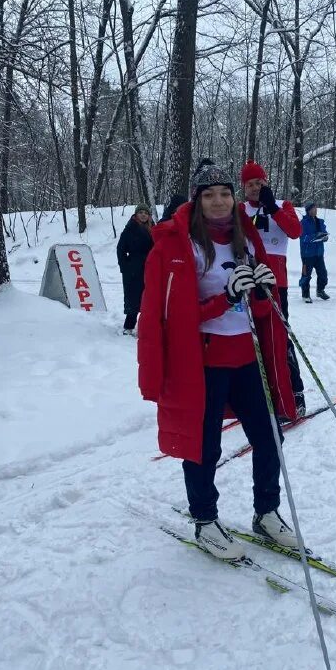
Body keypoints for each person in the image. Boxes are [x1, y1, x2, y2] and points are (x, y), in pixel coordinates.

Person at [138, 159, 298, 560]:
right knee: (203, 446)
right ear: (197, 199)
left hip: (248, 356)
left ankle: (267, 511)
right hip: (204, 364)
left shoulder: (246, 240)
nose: (218, 201)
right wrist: (222, 299)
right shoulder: (178, 245)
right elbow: (173, 315)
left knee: (269, 438)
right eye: (208, 194)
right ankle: (205, 520)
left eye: (225, 193)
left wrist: (261, 294)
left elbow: (260, 313)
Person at [239, 159, 306, 416]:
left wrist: (272, 207)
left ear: (267, 182)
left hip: (277, 285)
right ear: (244, 188)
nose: (255, 188)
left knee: (280, 341)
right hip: (248, 284)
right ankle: (262, 395)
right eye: (250, 184)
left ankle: (295, 393)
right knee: (253, 342)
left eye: (259, 183)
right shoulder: (240, 209)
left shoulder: (282, 206)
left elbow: (295, 231)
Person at [116, 203, 154, 334]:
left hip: (151, 268)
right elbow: (120, 249)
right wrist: (125, 267)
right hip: (133, 269)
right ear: (136, 215)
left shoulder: (153, 229)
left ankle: (147, 327)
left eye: (146, 213)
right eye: (140, 212)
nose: (143, 214)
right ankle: (129, 326)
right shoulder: (129, 229)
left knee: (149, 298)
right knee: (133, 298)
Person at [299, 202, 329, 303]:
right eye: (313, 209)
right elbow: (304, 238)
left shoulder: (320, 222)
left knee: (323, 274)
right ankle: (305, 294)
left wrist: (324, 237)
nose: (315, 210)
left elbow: (324, 233)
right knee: (306, 275)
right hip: (307, 254)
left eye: (316, 208)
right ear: (308, 210)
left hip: (319, 253)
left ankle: (320, 290)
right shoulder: (303, 222)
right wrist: (316, 236)